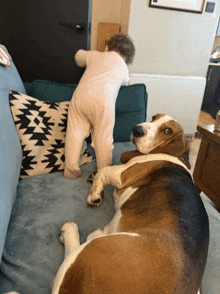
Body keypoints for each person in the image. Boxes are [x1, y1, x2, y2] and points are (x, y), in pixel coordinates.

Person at [64, 33, 135, 179]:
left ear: (107, 47)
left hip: (80, 97)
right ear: (128, 58)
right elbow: (127, 82)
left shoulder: (95, 56)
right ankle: (103, 172)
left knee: (74, 133)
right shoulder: (123, 68)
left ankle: (71, 170)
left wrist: (86, 56)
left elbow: (78, 56)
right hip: (103, 102)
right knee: (103, 138)